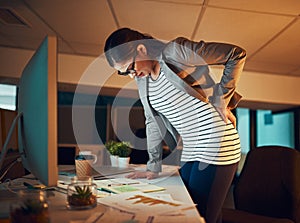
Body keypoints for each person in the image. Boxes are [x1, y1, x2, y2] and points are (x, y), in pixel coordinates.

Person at [104, 27, 246, 223]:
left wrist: (222, 98)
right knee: (190, 206)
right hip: (191, 149)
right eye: (124, 73)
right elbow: (152, 121)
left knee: (200, 217)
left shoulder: (175, 52)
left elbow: (235, 55)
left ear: (142, 49)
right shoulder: (142, 81)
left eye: (130, 68)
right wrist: (153, 166)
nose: (131, 75)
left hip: (217, 143)